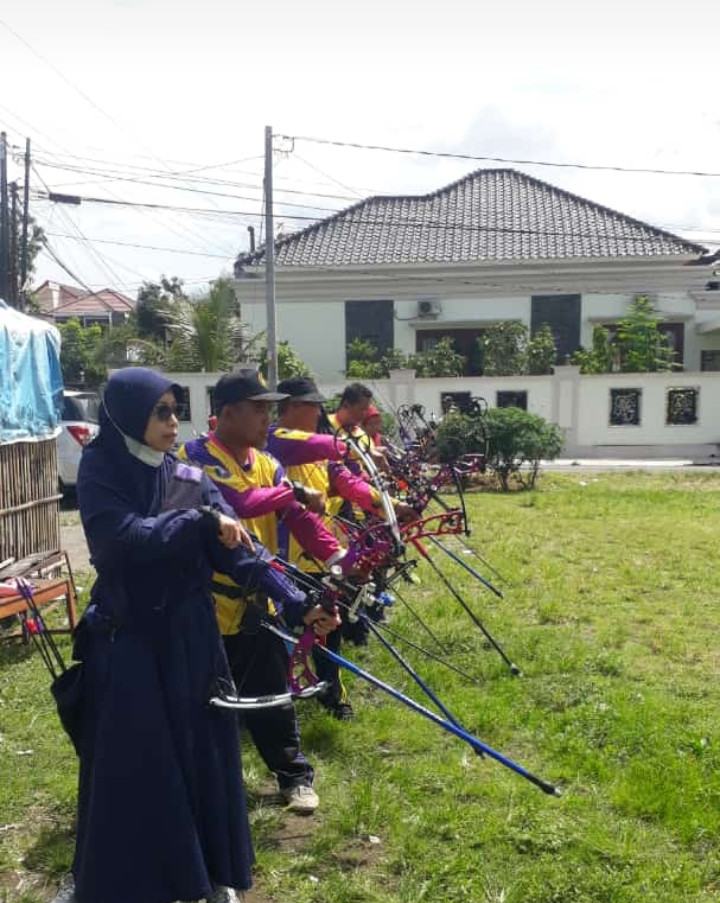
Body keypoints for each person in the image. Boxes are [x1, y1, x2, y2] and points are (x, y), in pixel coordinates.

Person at [59, 367, 311, 903]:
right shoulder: (101, 468)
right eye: (161, 412)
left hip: (192, 639)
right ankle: (107, 880)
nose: (174, 423)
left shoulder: (190, 477)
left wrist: (298, 603)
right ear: (129, 413)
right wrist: (196, 524)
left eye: (177, 411)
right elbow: (118, 543)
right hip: (130, 641)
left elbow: (237, 548)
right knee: (134, 761)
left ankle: (213, 873)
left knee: (206, 753)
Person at [179, 369, 342, 814]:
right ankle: (202, 789)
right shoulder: (194, 459)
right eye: (258, 409)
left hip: (261, 600)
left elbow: (299, 519)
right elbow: (239, 506)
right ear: (227, 412)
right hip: (207, 607)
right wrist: (290, 492)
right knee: (205, 704)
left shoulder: (268, 463)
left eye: (270, 409)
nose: (266, 419)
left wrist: (337, 559)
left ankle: (294, 778)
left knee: (274, 698)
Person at [267, 377, 418, 719]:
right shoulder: (276, 441)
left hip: (323, 554)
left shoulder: (320, 451)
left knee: (328, 628)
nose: (320, 411)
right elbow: (313, 445)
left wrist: (390, 505)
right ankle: (280, 698)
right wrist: (351, 447)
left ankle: (332, 695)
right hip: (284, 561)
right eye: (312, 405)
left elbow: (349, 484)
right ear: (291, 407)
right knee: (281, 636)